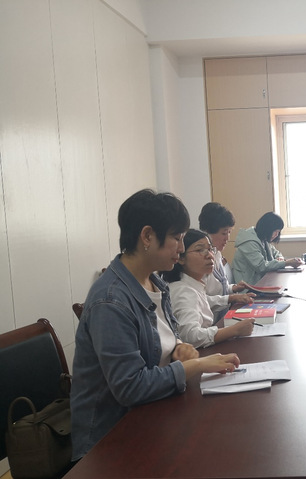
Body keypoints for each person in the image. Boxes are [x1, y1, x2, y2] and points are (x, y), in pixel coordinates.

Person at [70, 190, 240, 461]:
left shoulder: (156, 284)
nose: (181, 248)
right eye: (177, 238)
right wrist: (195, 365)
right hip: (111, 443)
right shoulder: (110, 300)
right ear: (148, 236)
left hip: (154, 415)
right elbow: (130, 387)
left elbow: (162, 340)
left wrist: (178, 348)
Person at [163, 229, 255, 348]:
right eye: (199, 250)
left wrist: (231, 298)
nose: (210, 255)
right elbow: (190, 336)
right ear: (181, 257)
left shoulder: (190, 284)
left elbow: (202, 301)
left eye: (210, 249)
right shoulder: (184, 291)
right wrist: (234, 330)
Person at [198, 202, 255, 321]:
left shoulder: (217, 254)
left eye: (229, 232)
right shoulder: (200, 260)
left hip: (222, 316)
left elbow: (217, 289)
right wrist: (231, 298)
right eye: (224, 233)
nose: (227, 238)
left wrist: (233, 288)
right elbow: (200, 299)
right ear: (208, 232)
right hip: (208, 323)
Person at [232, 212, 302, 285]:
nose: (276, 235)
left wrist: (280, 258)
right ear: (267, 228)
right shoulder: (249, 242)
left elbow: (276, 253)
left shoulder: (262, 238)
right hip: (247, 285)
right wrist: (286, 263)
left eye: (278, 232)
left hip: (259, 281)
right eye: (275, 231)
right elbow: (261, 266)